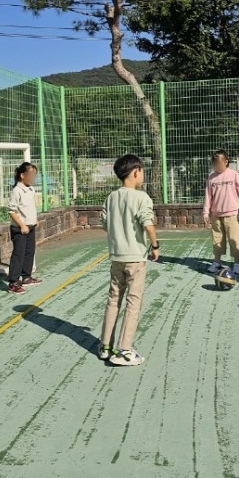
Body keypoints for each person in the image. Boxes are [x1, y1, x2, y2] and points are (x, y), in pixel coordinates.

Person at [99, 154, 160, 367]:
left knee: (113, 299)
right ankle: (124, 349)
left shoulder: (111, 198)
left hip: (116, 257)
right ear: (135, 172)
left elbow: (104, 224)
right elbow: (148, 224)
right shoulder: (142, 198)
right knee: (133, 302)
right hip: (135, 258)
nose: (143, 175)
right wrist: (155, 246)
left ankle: (105, 346)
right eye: (142, 171)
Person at [203, 150, 239, 275]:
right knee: (217, 240)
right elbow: (208, 197)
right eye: (214, 164)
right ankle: (217, 262)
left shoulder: (234, 175)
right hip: (216, 215)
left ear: (226, 162)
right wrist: (206, 213)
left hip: (231, 214)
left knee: (234, 239)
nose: (216, 166)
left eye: (219, 163)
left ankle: (237, 264)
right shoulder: (211, 178)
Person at [7, 162, 42, 294]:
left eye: (35, 175)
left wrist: (34, 220)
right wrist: (22, 225)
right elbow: (12, 211)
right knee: (18, 255)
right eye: (31, 175)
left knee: (29, 252)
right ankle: (13, 283)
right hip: (20, 229)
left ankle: (26, 277)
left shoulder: (31, 189)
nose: (33, 178)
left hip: (31, 227)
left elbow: (29, 207)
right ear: (22, 175)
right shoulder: (17, 190)